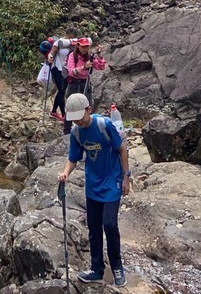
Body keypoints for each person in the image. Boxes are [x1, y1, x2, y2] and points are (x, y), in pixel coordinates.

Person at [58, 92, 130, 287]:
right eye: (74, 119)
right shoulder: (76, 132)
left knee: (109, 224)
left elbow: (122, 149)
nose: (78, 122)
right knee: (94, 227)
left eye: (80, 117)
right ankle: (96, 268)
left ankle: (117, 267)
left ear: (88, 110)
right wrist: (65, 173)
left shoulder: (103, 125)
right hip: (93, 185)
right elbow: (73, 158)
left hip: (112, 182)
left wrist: (126, 177)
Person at [63, 37, 106, 133]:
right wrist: (83, 67)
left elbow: (101, 66)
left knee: (87, 107)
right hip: (74, 84)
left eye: (86, 46)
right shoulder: (72, 56)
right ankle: (67, 131)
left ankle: (87, 129)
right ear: (78, 46)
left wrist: (99, 56)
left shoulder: (89, 57)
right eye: (83, 46)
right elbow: (71, 72)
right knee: (71, 107)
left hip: (85, 84)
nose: (85, 49)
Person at [47, 35, 72, 121]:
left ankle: (58, 113)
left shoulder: (70, 44)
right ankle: (58, 113)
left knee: (62, 91)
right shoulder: (59, 42)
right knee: (61, 91)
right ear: (69, 34)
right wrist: (50, 57)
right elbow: (52, 52)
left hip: (65, 70)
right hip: (57, 69)